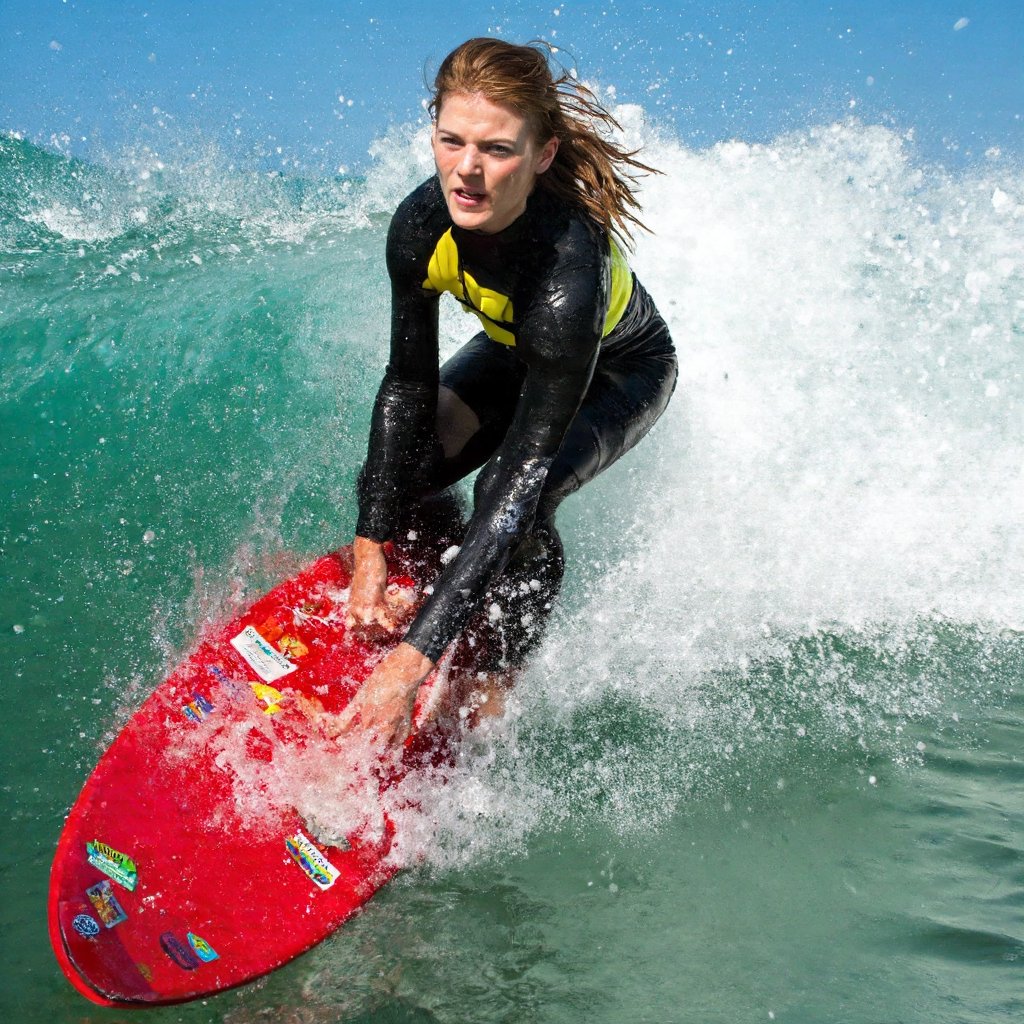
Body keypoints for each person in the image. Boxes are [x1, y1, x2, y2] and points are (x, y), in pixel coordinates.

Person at [338, 37, 677, 746]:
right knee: (406, 462)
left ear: (542, 155)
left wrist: (406, 668)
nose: (467, 169)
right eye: (450, 140)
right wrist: (371, 546)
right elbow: (406, 384)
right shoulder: (421, 226)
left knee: (514, 495)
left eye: (496, 149)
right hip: (513, 351)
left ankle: (495, 676)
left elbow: (520, 476)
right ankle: (439, 571)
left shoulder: (567, 270)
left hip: (622, 372)